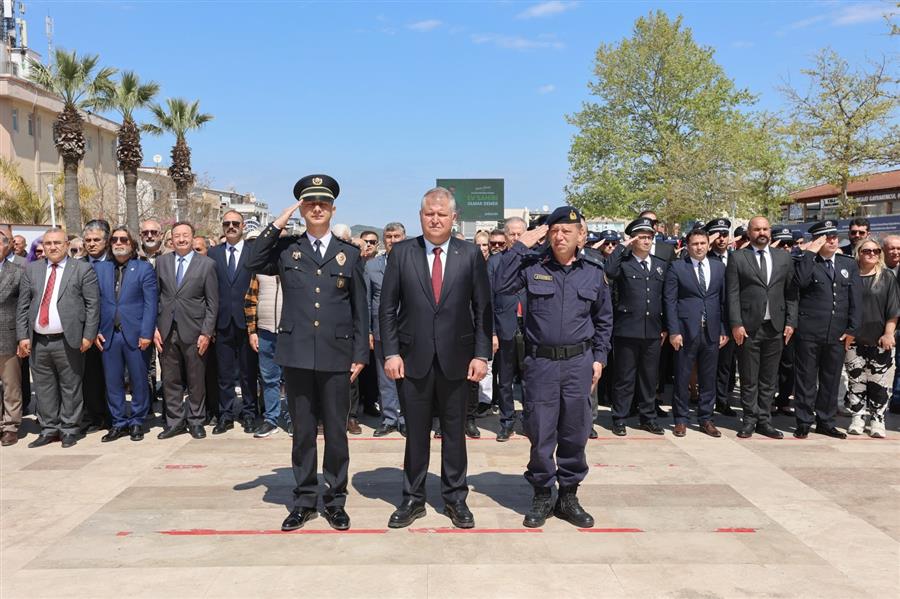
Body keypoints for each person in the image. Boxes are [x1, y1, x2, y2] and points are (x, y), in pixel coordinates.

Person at [248, 174, 368, 532]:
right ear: (302, 207)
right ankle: (303, 499)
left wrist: (360, 352)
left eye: (323, 203)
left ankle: (335, 500)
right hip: (297, 353)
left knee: (335, 432)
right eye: (310, 203)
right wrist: (278, 222)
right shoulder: (286, 249)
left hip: (336, 354)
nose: (317, 208)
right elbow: (251, 263)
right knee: (302, 432)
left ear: (332, 208)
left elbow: (361, 308)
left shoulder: (350, 254)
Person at [380, 186, 491, 529]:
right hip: (412, 360)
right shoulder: (402, 253)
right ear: (420, 216)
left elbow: (482, 309)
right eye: (429, 213)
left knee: (455, 434)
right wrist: (391, 352)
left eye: (442, 214)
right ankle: (413, 498)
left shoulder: (470, 254)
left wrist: (481, 355)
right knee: (415, 434)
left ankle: (455, 498)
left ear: (454, 218)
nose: (435, 219)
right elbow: (387, 309)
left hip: (458, 360)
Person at [495, 206, 612, 528]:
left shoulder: (593, 270)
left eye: (567, 232)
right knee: (541, 431)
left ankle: (569, 495)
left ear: (579, 236)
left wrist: (599, 358)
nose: (560, 237)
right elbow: (500, 284)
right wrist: (521, 245)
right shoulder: (533, 265)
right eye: (554, 231)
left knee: (575, 432)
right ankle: (543, 494)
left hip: (579, 364)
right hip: (541, 364)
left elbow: (604, 319)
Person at [16, 228, 99, 448]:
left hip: (68, 340)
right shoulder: (32, 270)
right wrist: (23, 336)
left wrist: (88, 335)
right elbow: (23, 306)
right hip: (38, 341)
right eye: (49, 243)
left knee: (71, 386)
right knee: (43, 387)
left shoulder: (82, 269)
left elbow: (93, 305)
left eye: (57, 243)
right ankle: (49, 428)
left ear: (66, 245)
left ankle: (69, 429)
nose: (53, 247)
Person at [726, 216, 797, 439]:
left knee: (769, 378)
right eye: (757, 229)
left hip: (775, 327)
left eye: (765, 229)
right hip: (748, 327)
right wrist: (736, 323)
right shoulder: (738, 258)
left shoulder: (784, 258)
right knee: (749, 377)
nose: (762, 233)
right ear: (749, 232)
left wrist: (790, 322)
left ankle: (764, 420)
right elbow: (732, 294)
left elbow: (791, 294)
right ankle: (749, 420)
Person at [792, 220, 861, 439]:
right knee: (806, 379)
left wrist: (852, 329)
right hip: (809, 331)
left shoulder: (847, 263)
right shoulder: (807, 262)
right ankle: (803, 420)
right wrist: (810, 254)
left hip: (837, 332)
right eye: (826, 237)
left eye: (833, 236)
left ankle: (826, 421)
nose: (832, 240)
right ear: (817, 240)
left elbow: (855, 300)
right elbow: (799, 283)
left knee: (831, 379)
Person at [154, 221, 219, 440]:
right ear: (171, 239)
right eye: (177, 236)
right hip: (166, 330)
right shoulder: (162, 262)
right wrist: (154, 328)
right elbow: (155, 297)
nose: (181, 239)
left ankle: (196, 420)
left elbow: (212, 303)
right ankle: (174, 422)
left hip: (195, 330)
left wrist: (207, 333)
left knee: (196, 379)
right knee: (170, 380)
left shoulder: (207, 265)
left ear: (192, 238)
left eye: (185, 235)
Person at [604, 217, 668, 436]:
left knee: (650, 378)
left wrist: (666, 326)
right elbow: (608, 271)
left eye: (649, 237)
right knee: (624, 377)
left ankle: (647, 417)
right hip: (627, 329)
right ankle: (619, 417)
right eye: (641, 237)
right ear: (633, 239)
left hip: (652, 329)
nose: (646, 241)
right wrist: (622, 246)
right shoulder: (623, 263)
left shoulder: (659, 265)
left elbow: (665, 298)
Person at [94, 227, 158, 442]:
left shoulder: (143, 268)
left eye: (124, 239)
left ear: (132, 244)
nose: (119, 243)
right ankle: (119, 422)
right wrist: (94, 332)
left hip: (136, 334)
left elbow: (151, 304)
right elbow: (93, 304)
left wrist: (147, 332)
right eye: (115, 239)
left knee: (139, 380)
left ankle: (137, 421)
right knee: (112, 382)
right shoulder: (100, 269)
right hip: (108, 334)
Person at [664, 229, 728, 437]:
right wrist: (673, 330)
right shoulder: (677, 267)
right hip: (685, 331)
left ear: (708, 245)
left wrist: (723, 329)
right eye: (695, 244)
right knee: (682, 376)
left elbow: (723, 300)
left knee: (708, 377)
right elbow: (670, 301)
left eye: (702, 243)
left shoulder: (718, 268)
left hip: (711, 331)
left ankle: (706, 419)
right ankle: (681, 419)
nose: (699, 247)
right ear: (687, 246)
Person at [209, 210, 260, 434]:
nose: (231, 227)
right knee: (224, 373)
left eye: (235, 223)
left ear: (242, 226)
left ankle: (249, 413)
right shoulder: (213, 254)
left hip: (247, 323)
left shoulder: (253, 252)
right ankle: (226, 415)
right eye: (227, 223)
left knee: (249, 373)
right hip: (221, 322)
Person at [844, 237, 898, 438]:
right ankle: (857, 418)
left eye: (876, 251)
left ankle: (877, 420)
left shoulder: (887, 277)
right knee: (856, 381)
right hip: (853, 339)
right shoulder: (849, 276)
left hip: (880, 339)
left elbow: (893, 310)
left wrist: (888, 333)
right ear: (858, 253)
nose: (872, 254)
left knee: (879, 383)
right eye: (867, 251)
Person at [488, 216, 528, 441]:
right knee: (505, 379)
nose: (515, 237)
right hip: (505, 327)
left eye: (519, 233)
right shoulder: (495, 262)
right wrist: (492, 332)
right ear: (505, 236)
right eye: (511, 234)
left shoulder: (535, 260)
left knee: (531, 378)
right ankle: (506, 422)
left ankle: (530, 420)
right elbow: (488, 301)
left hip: (531, 327)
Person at [366, 222, 407, 437]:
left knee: (408, 377)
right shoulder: (372, 266)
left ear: (404, 237)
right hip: (381, 329)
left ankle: (406, 418)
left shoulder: (413, 263)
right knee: (385, 377)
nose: (393, 240)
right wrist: (368, 332)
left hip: (409, 329)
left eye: (397, 236)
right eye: (389, 236)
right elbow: (366, 301)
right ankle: (389, 418)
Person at [244, 247, 288, 438]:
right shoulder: (259, 270)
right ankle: (271, 419)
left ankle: (293, 419)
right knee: (269, 378)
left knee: (293, 380)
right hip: (265, 331)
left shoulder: (295, 268)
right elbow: (250, 301)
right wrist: (252, 331)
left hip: (291, 333)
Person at [703, 218, 738, 418]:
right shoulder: (704, 257)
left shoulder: (736, 258)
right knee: (709, 364)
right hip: (708, 318)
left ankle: (723, 400)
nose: (722, 239)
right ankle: (706, 400)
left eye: (725, 234)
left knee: (727, 364)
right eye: (717, 235)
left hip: (730, 319)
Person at [81, 219, 112, 434]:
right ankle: (95, 416)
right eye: (88, 240)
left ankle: (114, 416)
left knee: (112, 377)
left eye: (96, 240)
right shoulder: (77, 264)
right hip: (85, 333)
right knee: (90, 377)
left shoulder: (115, 262)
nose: (92, 244)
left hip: (111, 330)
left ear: (106, 241)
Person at [0, 227, 25, 446]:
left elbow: (23, 308)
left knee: (11, 386)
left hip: (8, 336)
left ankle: (10, 426)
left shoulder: (17, 272)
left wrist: (22, 338)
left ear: (8, 246)